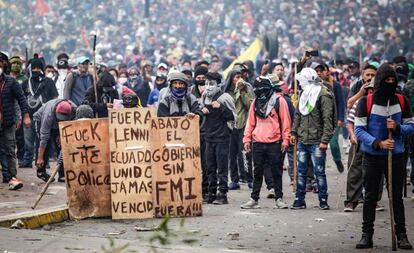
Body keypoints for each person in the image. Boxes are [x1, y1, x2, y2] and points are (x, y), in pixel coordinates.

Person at [355, 64, 414, 249]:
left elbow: (411, 126)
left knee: (396, 197)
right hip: (372, 157)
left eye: (392, 80)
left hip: (396, 156)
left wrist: (397, 128)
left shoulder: (401, 101)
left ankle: (402, 235)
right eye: (386, 80)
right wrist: (378, 143)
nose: (390, 83)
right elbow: (359, 129)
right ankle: (367, 234)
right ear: (379, 81)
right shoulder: (366, 102)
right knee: (371, 196)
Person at [240, 76, 291, 209]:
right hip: (257, 142)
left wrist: (286, 140)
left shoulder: (279, 101)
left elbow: (286, 123)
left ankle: (279, 198)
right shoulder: (255, 102)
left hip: (275, 142)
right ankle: (254, 199)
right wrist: (247, 139)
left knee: (276, 172)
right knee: (257, 172)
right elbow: (250, 122)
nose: (260, 93)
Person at [290, 68, 335, 210]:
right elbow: (298, 115)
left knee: (319, 172)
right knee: (301, 172)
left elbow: (328, 120)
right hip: (303, 140)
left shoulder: (323, 95)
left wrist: (325, 140)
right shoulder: (303, 93)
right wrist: (293, 133)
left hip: (317, 141)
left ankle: (323, 200)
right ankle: (299, 200)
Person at [200, 72, 235, 205]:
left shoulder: (225, 97)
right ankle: (211, 192)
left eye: (211, 84)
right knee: (210, 167)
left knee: (222, 168)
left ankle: (222, 193)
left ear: (218, 84)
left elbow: (233, 117)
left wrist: (221, 108)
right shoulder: (204, 96)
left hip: (222, 138)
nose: (208, 86)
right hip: (209, 137)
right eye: (206, 83)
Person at [21, 55, 58, 169]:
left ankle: (43, 161)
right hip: (29, 116)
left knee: (43, 140)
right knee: (28, 139)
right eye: (34, 69)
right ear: (30, 69)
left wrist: (51, 115)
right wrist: (25, 116)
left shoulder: (49, 82)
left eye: (38, 68)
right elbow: (22, 101)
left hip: (44, 117)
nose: (36, 71)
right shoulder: (25, 83)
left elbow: (55, 98)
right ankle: (27, 160)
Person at [0, 51, 31, 190]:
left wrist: (25, 116)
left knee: (10, 149)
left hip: (8, 121)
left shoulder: (11, 81)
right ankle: (6, 174)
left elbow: (22, 100)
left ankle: (11, 176)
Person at [313, 62, 345, 173]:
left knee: (334, 143)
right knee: (321, 147)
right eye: (316, 71)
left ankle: (338, 160)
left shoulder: (335, 85)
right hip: (319, 121)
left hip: (333, 120)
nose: (319, 73)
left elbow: (341, 102)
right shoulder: (313, 86)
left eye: (321, 70)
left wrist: (340, 118)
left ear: (327, 72)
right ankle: (321, 167)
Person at [225, 69, 254, 190]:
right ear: (231, 79)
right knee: (231, 155)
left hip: (243, 125)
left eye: (240, 77)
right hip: (230, 126)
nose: (239, 79)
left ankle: (250, 179)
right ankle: (234, 180)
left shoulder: (246, 89)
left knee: (245, 153)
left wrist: (242, 91)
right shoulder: (226, 92)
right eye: (236, 77)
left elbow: (250, 105)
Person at [34, 99, 77, 182]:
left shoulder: (74, 109)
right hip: (40, 120)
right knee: (45, 144)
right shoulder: (48, 115)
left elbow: (72, 125)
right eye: (60, 118)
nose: (61, 120)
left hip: (59, 126)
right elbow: (44, 138)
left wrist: (63, 137)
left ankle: (62, 174)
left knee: (62, 146)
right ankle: (41, 171)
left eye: (63, 118)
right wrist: (40, 157)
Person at [9, 56, 27, 164]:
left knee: (20, 136)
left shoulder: (24, 79)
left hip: (19, 109)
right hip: (8, 108)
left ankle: (20, 157)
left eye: (17, 63)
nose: (15, 65)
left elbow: (23, 97)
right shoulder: (6, 77)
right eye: (13, 63)